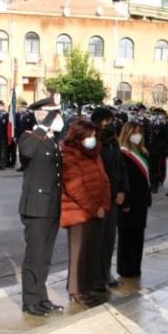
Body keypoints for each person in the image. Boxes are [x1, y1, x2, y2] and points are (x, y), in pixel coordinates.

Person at [18, 96, 66, 316]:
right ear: (43, 115)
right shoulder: (30, 136)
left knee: (45, 256)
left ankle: (41, 297)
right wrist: (44, 126)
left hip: (51, 206)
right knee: (34, 256)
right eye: (55, 114)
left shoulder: (51, 139)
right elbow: (26, 153)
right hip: (36, 207)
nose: (60, 118)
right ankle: (30, 300)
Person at [60, 120, 111, 308]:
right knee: (79, 253)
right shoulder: (69, 155)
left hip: (96, 212)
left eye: (94, 136)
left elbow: (104, 180)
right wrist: (93, 208)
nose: (92, 139)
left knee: (92, 252)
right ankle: (76, 290)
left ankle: (87, 288)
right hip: (78, 212)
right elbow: (74, 187)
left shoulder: (94, 153)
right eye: (88, 136)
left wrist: (104, 205)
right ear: (78, 136)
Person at [90, 107, 129, 291]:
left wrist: (122, 190)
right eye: (107, 120)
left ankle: (105, 273)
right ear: (98, 122)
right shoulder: (93, 142)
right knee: (97, 240)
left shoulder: (112, 141)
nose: (110, 123)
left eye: (111, 120)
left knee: (109, 240)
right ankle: (95, 277)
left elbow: (121, 167)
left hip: (113, 198)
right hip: (99, 198)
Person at [116, 121, 152, 278]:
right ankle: (125, 268)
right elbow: (122, 181)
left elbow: (145, 179)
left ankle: (135, 267)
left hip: (141, 202)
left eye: (139, 132)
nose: (138, 135)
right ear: (127, 133)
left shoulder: (143, 152)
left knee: (138, 237)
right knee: (126, 237)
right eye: (134, 132)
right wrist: (124, 202)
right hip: (129, 201)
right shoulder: (123, 154)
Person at [147, 108, 168, 193]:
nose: (155, 115)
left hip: (157, 150)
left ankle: (155, 185)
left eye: (157, 114)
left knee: (156, 168)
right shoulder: (150, 123)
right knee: (151, 168)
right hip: (150, 149)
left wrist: (160, 124)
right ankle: (151, 183)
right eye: (154, 114)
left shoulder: (162, 125)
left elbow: (165, 137)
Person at [16, 100, 37, 171]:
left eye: (24, 107)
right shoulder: (18, 115)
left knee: (27, 151)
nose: (23, 108)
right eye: (22, 107)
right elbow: (16, 127)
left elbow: (34, 126)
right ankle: (23, 165)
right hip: (20, 136)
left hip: (28, 136)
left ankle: (28, 165)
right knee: (21, 152)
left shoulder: (31, 116)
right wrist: (16, 136)